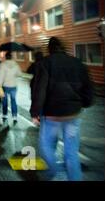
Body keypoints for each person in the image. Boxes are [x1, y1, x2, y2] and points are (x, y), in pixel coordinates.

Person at [30, 37, 94, 181]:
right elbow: (88, 87)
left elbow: (39, 90)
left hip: (52, 114)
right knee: (71, 150)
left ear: (50, 49)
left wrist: (35, 112)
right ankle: (75, 178)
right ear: (63, 47)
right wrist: (84, 103)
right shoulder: (77, 63)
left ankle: (52, 170)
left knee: (46, 145)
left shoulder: (45, 63)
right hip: (72, 114)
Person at [0, 51, 22, 123]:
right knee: (13, 101)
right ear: (11, 57)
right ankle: (14, 116)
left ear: (5, 57)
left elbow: (0, 77)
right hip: (13, 86)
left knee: (5, 101)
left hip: (5, 86)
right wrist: (14, 74)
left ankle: (5, 115)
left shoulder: (2, 65)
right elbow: (20, 74)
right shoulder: (15, 65)